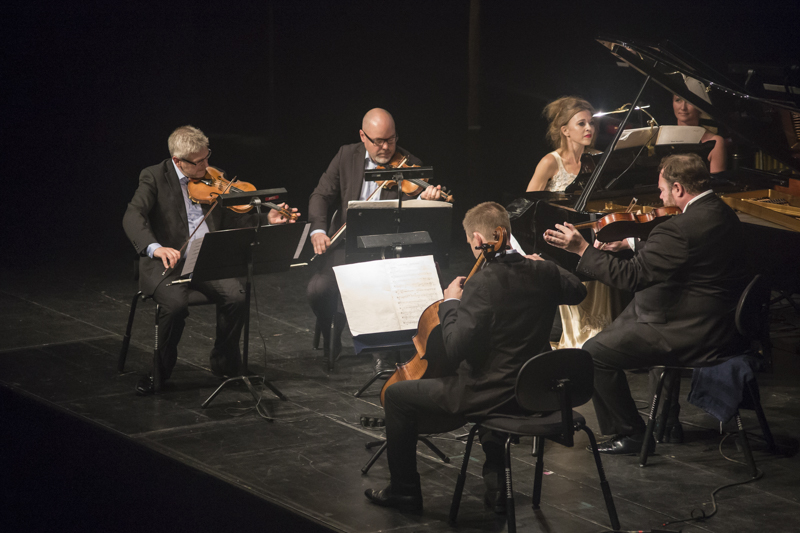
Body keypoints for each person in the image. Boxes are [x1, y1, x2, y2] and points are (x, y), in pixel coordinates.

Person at [364, 202, 586, 514]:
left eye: (471, 242)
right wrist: (542, 261)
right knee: (491, 377)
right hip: (532, 392)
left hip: (491, 393)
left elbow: (455, 348)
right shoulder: (544, 272)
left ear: (479, 239)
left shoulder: (482, 283)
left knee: (397, 396)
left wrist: (450, 303)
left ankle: (404, 491)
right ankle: (497, 489)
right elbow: (577, 290)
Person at [543, 153, 748, 455]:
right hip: (720, 320)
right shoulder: (723, 212)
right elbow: (685, 251)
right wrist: (630, 243)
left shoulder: (678, 228)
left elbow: (631, 277)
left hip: (691, 330)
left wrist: (583, 249)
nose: (660, 197)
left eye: (662, 189)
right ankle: (666, 421)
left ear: (678, 188)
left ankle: (632, 434)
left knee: (592, 353)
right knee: (632, 313)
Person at [123, 125, 298, 395]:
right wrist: (155, 248)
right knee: (175, 306)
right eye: (199, 162)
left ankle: (225, 363)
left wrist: (266, 218)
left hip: (207, 259)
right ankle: (160, 372)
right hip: (167, 263)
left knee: (237, 296)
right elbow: (133, 215)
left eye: (207, 157)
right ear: (178, 161)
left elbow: (235, 218)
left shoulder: (213, 176)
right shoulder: (154, 176)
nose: (206, 166)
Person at [307, 108, 443, 373]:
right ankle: (331, 331)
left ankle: (382, 352)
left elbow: (416, 218)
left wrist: (424, 200)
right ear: (363, 136)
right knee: (318, 289)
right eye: (378, 141)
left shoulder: (410, 164)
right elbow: (320, 195)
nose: (386, 147)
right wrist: (319, 231)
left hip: (387, 249)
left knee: (383, 287)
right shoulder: (346, 155)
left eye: (391, 140)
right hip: (347, 244)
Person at [526, 96, 625, 349]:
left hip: (595, 242)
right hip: (564, 247)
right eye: (581, 124)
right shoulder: (550, 162)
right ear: (565, 130)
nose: (589, 128)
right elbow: (528, 206)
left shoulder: (599, 159)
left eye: (591, 123)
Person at [672, 94, 727, 173]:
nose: (683, 107)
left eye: (689, 101)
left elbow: (717, 179)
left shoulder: (715, 141)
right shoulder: (662, 135)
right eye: (678, 100)